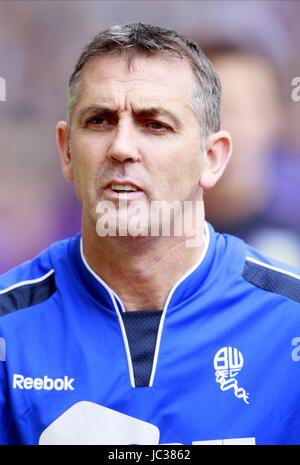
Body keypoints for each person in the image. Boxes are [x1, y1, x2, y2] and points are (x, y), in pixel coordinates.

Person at [0, 23, 300, 446]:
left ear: (211, 159)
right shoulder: (8, 331)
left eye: (155, 124)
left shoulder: (290, 324)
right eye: (99, 120)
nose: (122, 147)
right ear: (67, 151)